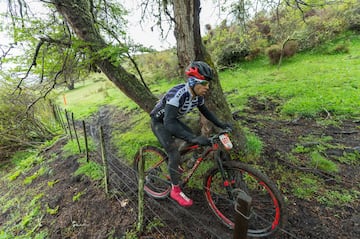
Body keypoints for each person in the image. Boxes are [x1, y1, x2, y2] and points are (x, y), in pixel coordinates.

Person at [150, 61, 231, 207]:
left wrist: (221, 125)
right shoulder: (177, 94)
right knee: (174, 151)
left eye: (208, 84)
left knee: (191, 139)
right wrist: (194, 138)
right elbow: (168, 123)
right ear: (193, 82)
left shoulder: (198, 95)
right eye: (204, 83)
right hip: (160, 123)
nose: (208, 87)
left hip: (172, 119)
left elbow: (205, 111)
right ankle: (175, 190)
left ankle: (174, 165)